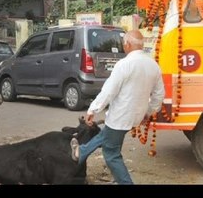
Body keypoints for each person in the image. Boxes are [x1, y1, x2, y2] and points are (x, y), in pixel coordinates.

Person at [70, 29, 165, 184]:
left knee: (111, 153)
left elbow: (109, 91)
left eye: (123, 43)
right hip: (135, 116)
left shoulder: (124, 64)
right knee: (107, 136)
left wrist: (92, 109)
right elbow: (159, 95)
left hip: (120, 116)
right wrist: (148, 113)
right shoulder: (153, 65)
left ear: (127, 44)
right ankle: (82, 152)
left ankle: (125, 182)